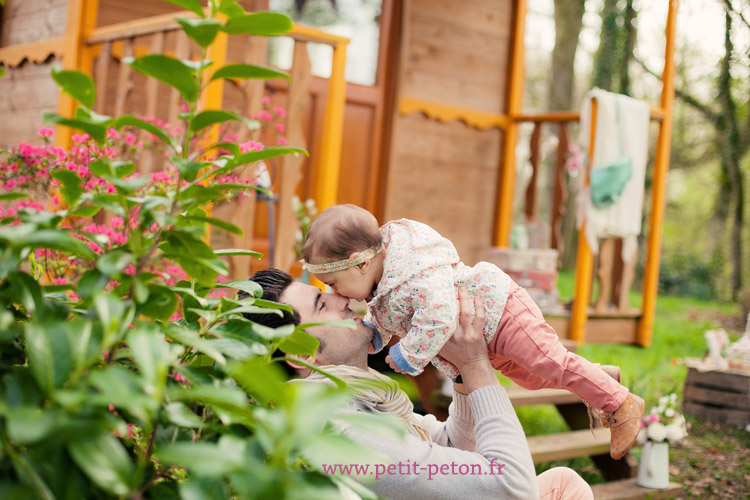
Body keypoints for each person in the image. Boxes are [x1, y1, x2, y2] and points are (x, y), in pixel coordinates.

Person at [299, 205, 643, 459]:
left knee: (549, 361)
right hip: (486, 336)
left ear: (360, 263)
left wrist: (410, 353)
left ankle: (621, 403)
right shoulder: (382, 284)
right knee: (533, 378)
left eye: (333, 283)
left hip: (500, 311)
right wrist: (374, 331)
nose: (338, 294)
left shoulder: (412, 272)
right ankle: (599, 378)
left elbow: (438, 315)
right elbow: (383, 312)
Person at [243, 268, 594, 500]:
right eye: (322, 305)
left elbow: (453, 448)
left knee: (562, 484)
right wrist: (477, 367)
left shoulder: (355, 396)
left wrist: (459, 372)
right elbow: (510, 486)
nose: (341, 298)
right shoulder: (339, 427)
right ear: (301, 355)